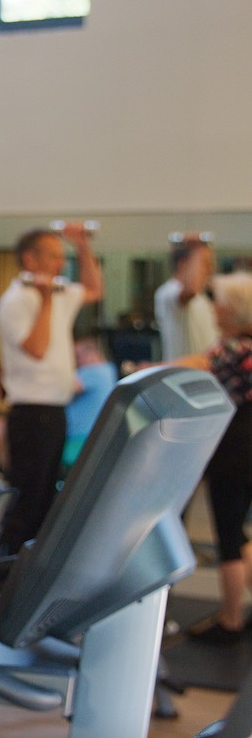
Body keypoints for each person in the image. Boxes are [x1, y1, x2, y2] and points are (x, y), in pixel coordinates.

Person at [0, 224, 103, 556]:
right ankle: (4, 579)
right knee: (27, 500)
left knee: (45, 503)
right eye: (54, 256)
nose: (60, 263)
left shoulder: (59, 293)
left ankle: (31, 577)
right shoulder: (15, 301)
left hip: (55, 412)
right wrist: (43, 301)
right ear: (30, 258)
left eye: (62, 256)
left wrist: (82, 246)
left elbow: (94, 290)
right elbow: (37, 348)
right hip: (30, 413)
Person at [171, 271, 252, 644]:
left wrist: (141, 372)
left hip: (234, 447)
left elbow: (195, 365)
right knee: (241, 533)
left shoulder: (234, 349)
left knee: (229, 536)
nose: (215, 310)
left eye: (220, 303)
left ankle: (231, 619)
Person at [154, 234, 219, 363]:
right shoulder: (168, 292)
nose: (210, 269)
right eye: (204, 263)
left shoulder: (202, 299)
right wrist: (197, 248)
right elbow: (191, 289)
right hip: (183, 377)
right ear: (183, 264)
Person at [61, 334, 117, 470]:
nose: (75, 362)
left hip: (79, 440)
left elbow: (63, 387)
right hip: (89, 437)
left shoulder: (94, 371)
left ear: (91, 354)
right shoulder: (108, 370)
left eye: (76, 357)